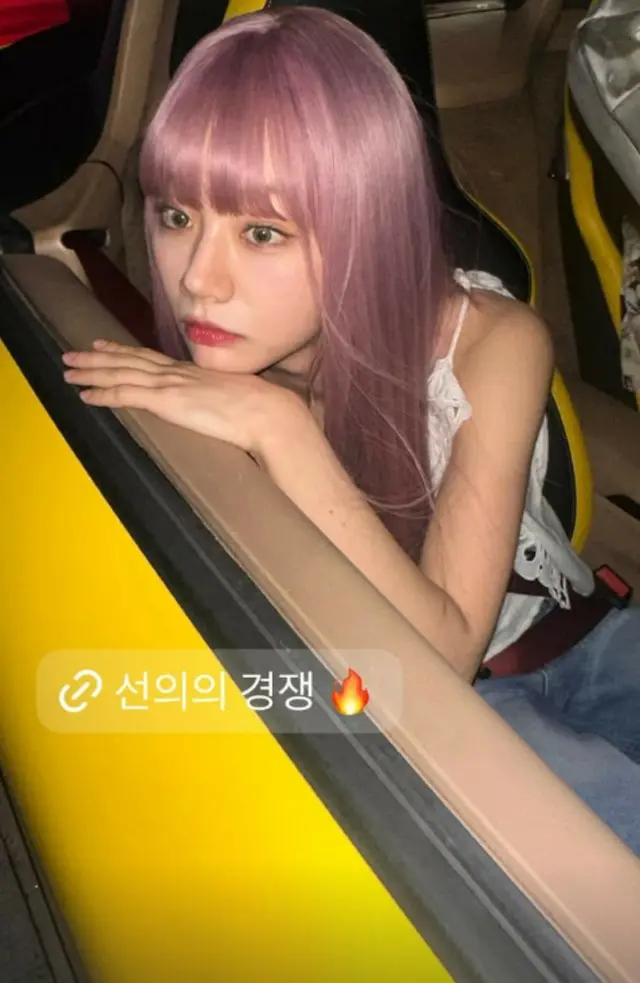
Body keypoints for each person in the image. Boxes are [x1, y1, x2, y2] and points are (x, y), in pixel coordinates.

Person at [61, 6, 640, 854]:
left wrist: (281, 425)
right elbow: (439, 679)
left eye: (262, 232)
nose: (197, 281)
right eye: (177, 216)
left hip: (584, 635)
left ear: (367, 223)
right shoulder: (222, 388)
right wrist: (273, 419)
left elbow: (449, 641)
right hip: (450, 714)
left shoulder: (491, 340)